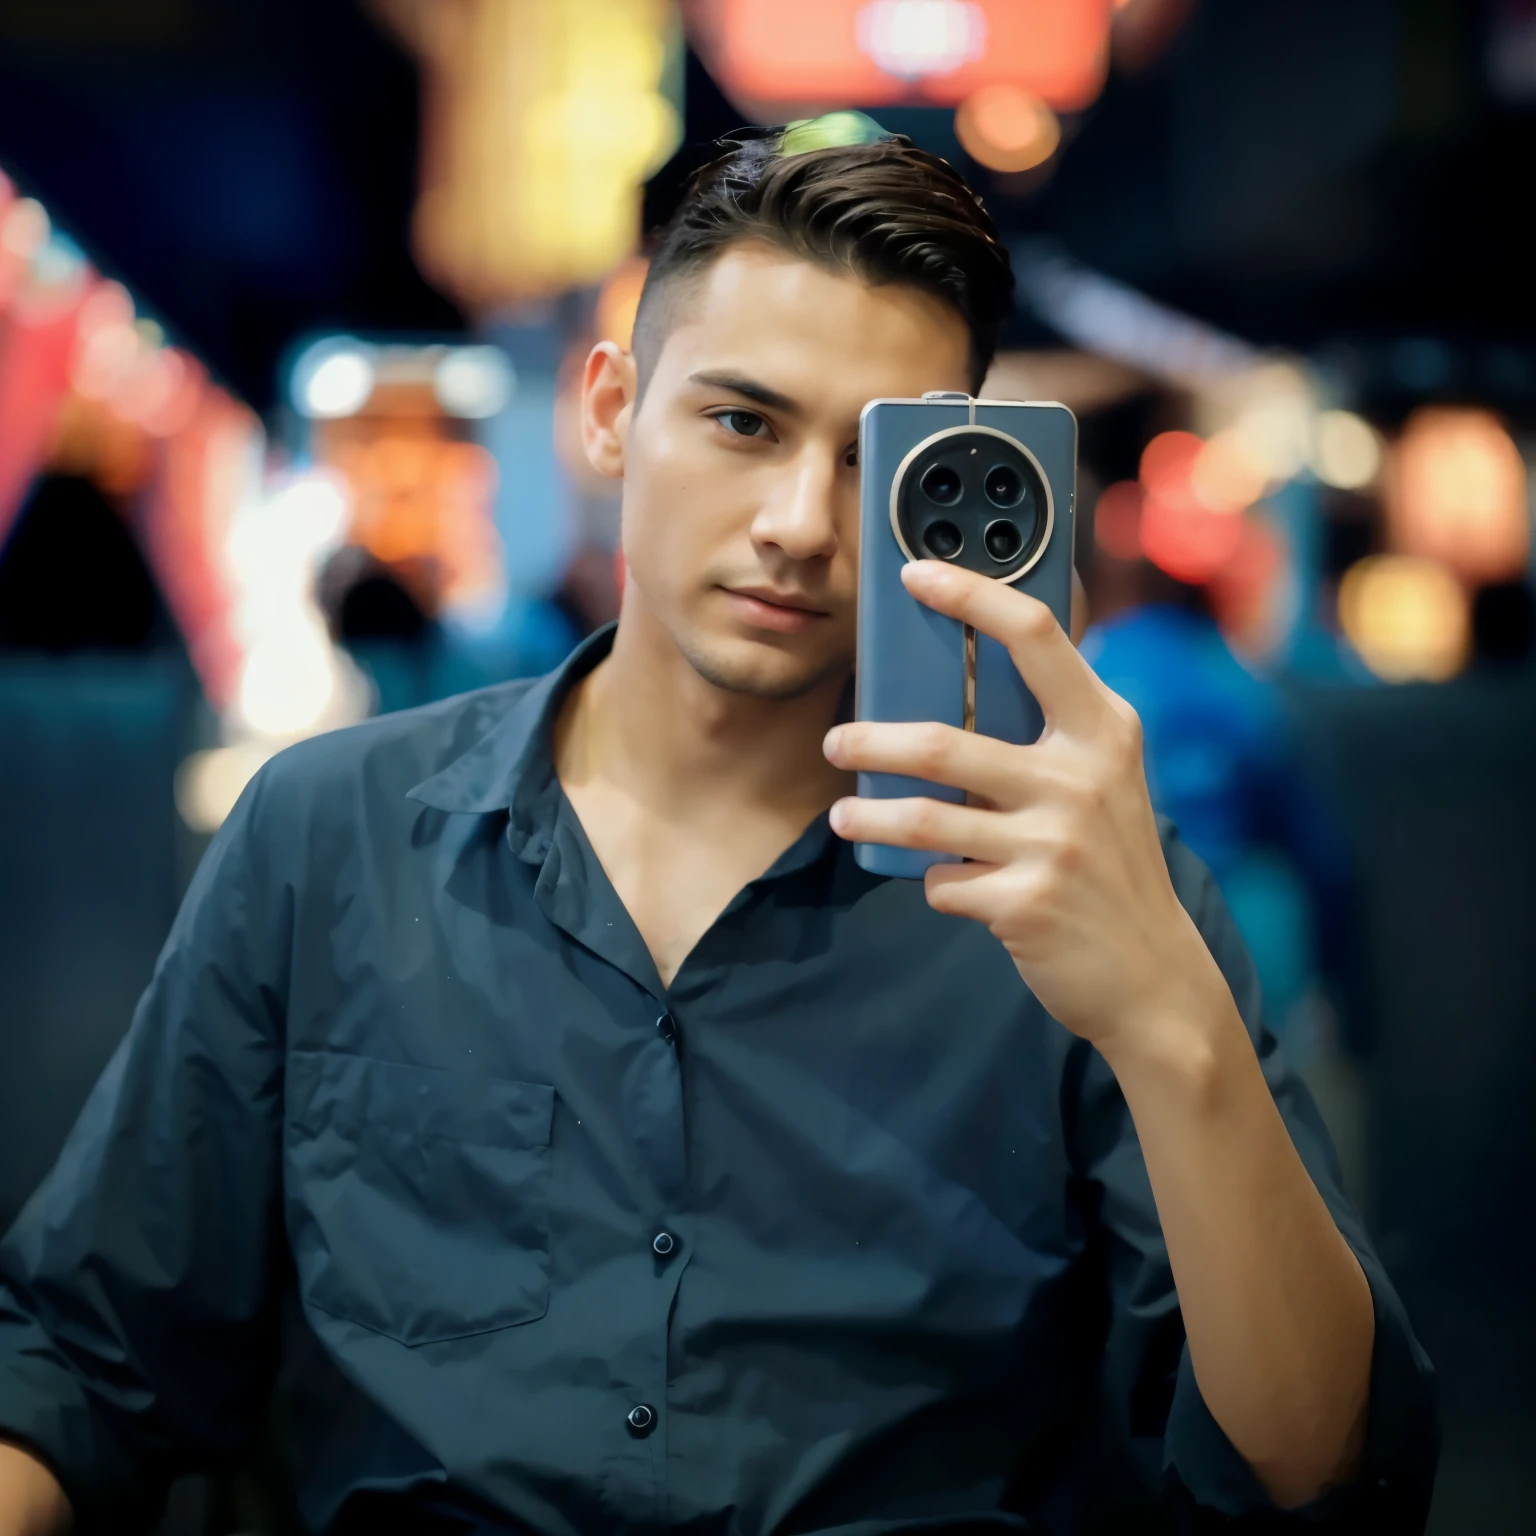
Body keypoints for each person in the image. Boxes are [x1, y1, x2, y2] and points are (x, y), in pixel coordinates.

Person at [0, 124, 1435, 1536]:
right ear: (615, 409)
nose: (802, 523)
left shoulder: (1076, 885)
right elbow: (82, 1359)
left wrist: (1171, 1028)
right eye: (743, 423)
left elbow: (1318, 1477)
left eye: (876, 461)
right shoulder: (333, 840)